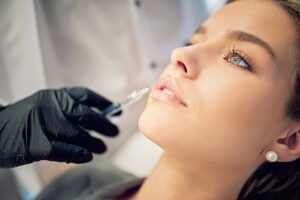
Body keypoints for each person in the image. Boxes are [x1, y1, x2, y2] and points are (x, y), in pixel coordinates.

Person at [35, 0, 300, 199]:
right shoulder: (79, 180)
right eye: (191, 40)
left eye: (237, 59)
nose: (179, 55)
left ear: (289, 140)